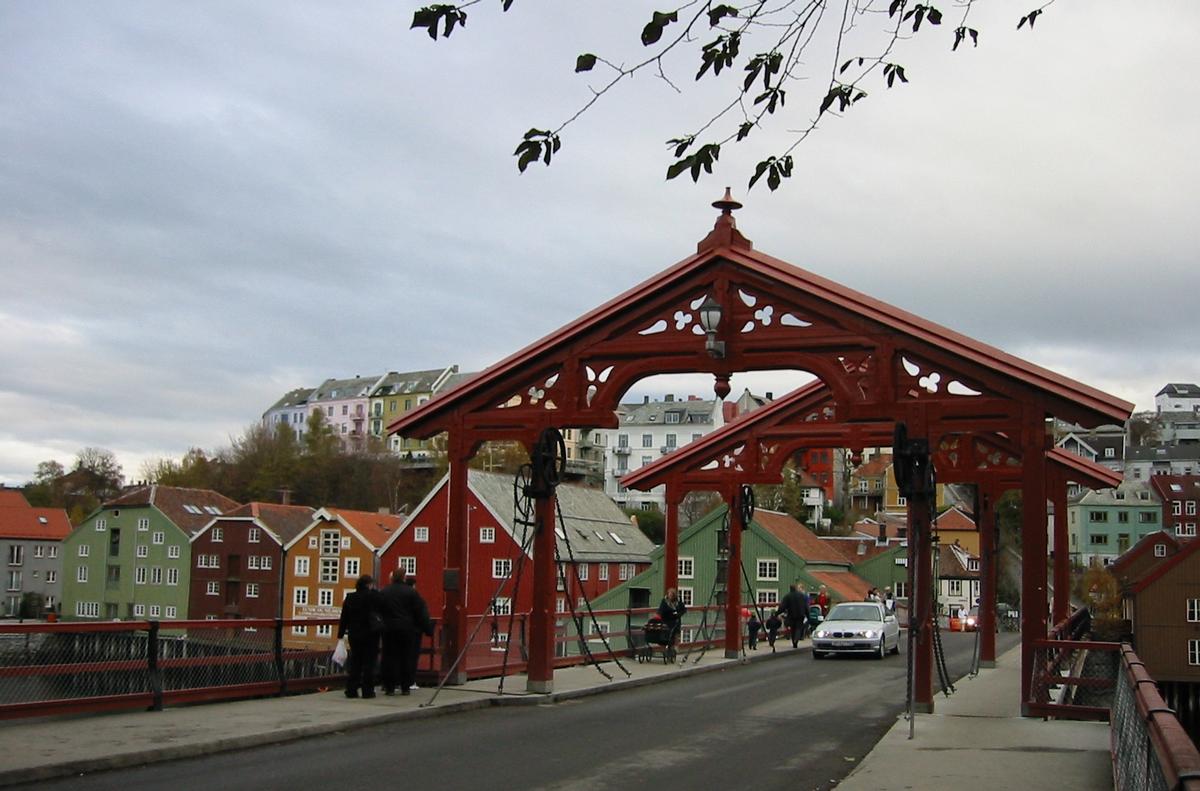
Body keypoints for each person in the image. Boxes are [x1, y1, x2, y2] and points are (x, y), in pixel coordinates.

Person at [379, 569, 434, 696]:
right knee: (406, 657)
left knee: (389, 657)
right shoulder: (411, 592)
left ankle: (389, 686)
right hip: (407, 629)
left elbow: (379, 609)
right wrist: (428, 629)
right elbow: (420, 612)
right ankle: (405, 686)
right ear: (403, 578)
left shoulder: (385, 591)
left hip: (389, 629)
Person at [337, 574, 383, 699]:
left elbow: (344, 617)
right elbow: (381, 606)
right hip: (370, 634)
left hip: (354, 634)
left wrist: (340, 634)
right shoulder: (373, 596)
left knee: (355, 661)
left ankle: (351, 690)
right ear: (369, 585)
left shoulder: (350, 597)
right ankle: (367, 691)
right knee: (369, 663)